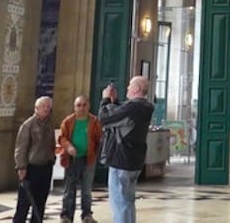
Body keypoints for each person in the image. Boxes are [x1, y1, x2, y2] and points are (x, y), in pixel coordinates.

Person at [98, 77, 154, 223]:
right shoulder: (146, 107)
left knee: (120, 203)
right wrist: (115, 102)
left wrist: (105, 100)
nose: (127, 88)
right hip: (135, 160)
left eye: (130, 86)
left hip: (121, 160)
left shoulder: (133, 108)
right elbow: (122, 119)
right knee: (128, 202)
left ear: (136, 89)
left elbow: (104, 118)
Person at [58, 95, 103, 223]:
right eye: (79, 105)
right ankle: (66, 215)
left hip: (88, 159)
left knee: (87, 190)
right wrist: (69, 147)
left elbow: (99, 139)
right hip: (71, 160)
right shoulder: (68, 121)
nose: (81, 108)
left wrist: (96, 153)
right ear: (74, 107)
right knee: (69, 189)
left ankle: (87, 215)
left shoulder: (94, 122)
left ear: (88, 106)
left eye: (84, 105)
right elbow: (62, 138)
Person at [12, 96, 56, 223]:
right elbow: (21, 148)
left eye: (48, 107)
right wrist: (21, 167)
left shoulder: (49, 124)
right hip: (31, 168)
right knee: (25, 202)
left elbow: (52, 143)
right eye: (44, 106)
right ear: (36, 108)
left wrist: (52, 158)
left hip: (46, 166)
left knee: (40, 201)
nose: (46, 109)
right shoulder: (28, 125)